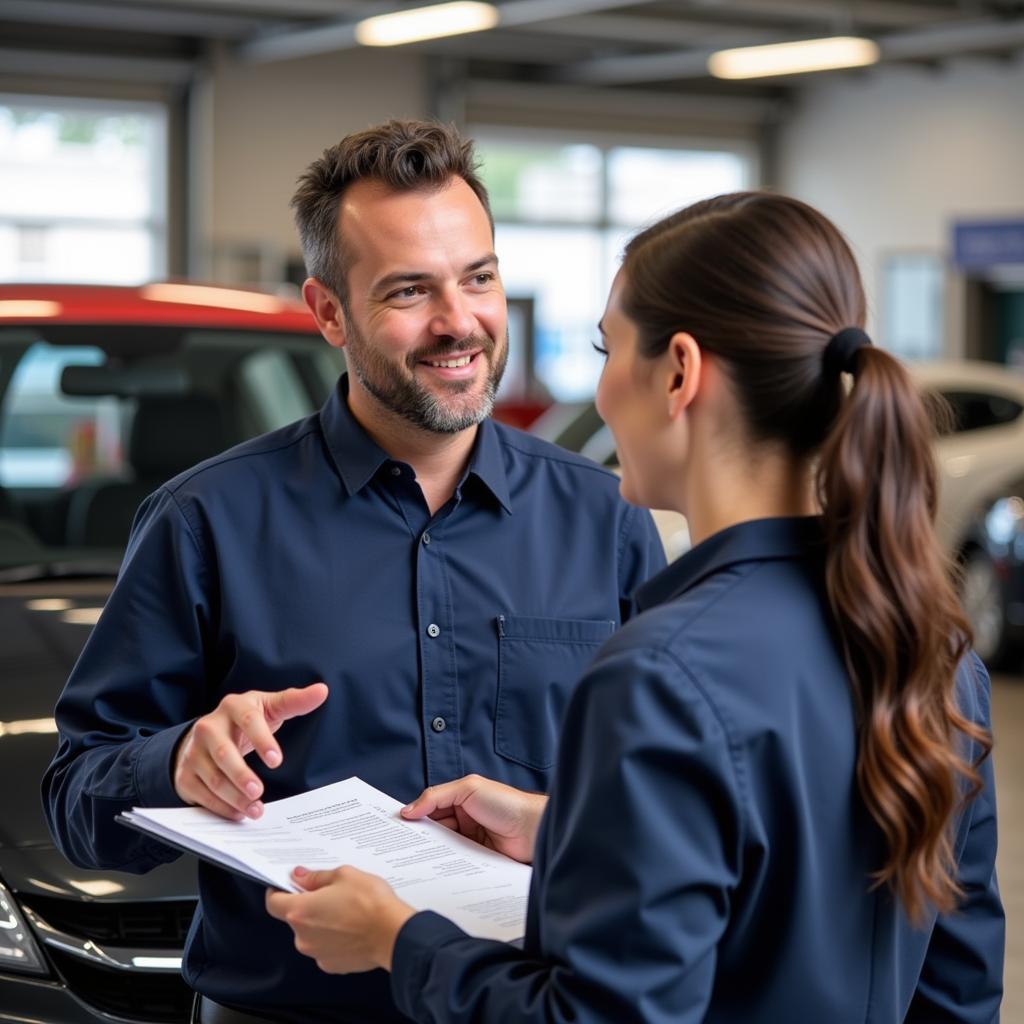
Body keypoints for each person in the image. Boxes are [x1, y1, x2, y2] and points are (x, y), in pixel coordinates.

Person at [267, 191, 1005, 1022]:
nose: (603, 389)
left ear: (679, 372)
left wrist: (398, 940)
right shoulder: (929, 650)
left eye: (606, 347)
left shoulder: (660, 675)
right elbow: (957, 986)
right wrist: (572, 831)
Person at [42, 120, 664, 1024]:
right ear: (329, 310)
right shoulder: (206, 522)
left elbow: (669, 795)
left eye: (479, 278)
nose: (460, 322)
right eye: (411, 290)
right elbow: (75, 798)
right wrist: (177, 761)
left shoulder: (605, 518)